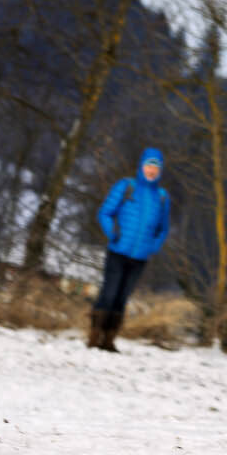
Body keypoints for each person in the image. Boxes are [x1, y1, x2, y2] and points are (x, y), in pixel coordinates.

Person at [89, 148, 172, 351]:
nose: (151, 170)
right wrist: (112, 233)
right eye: (149, 165)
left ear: (160, 171)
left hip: (140, 257)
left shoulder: (162, 197)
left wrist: (153, 246)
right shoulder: (126, 186)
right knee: (109, 293)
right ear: (141, 166)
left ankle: (109, 340)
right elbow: (105, 213)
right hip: (118, 251)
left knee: (122, 297)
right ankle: (94, 336)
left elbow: (163, 229)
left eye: (156, 167)